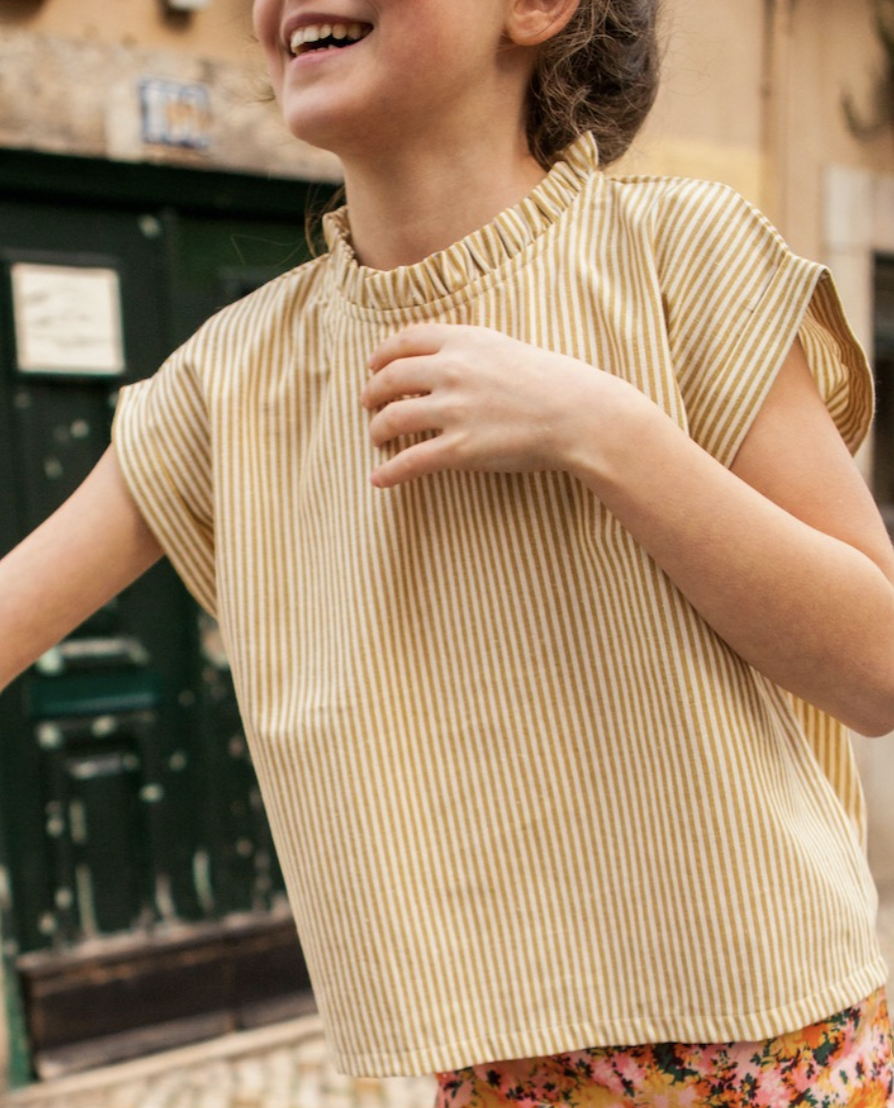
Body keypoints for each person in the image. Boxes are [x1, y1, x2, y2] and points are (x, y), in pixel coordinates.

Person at [3, 0, 894, 1102]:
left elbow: (877, 669)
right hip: (492, 1067)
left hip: (763, 1045)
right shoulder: (230, 380)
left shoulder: (680, 254)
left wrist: (606, 434)